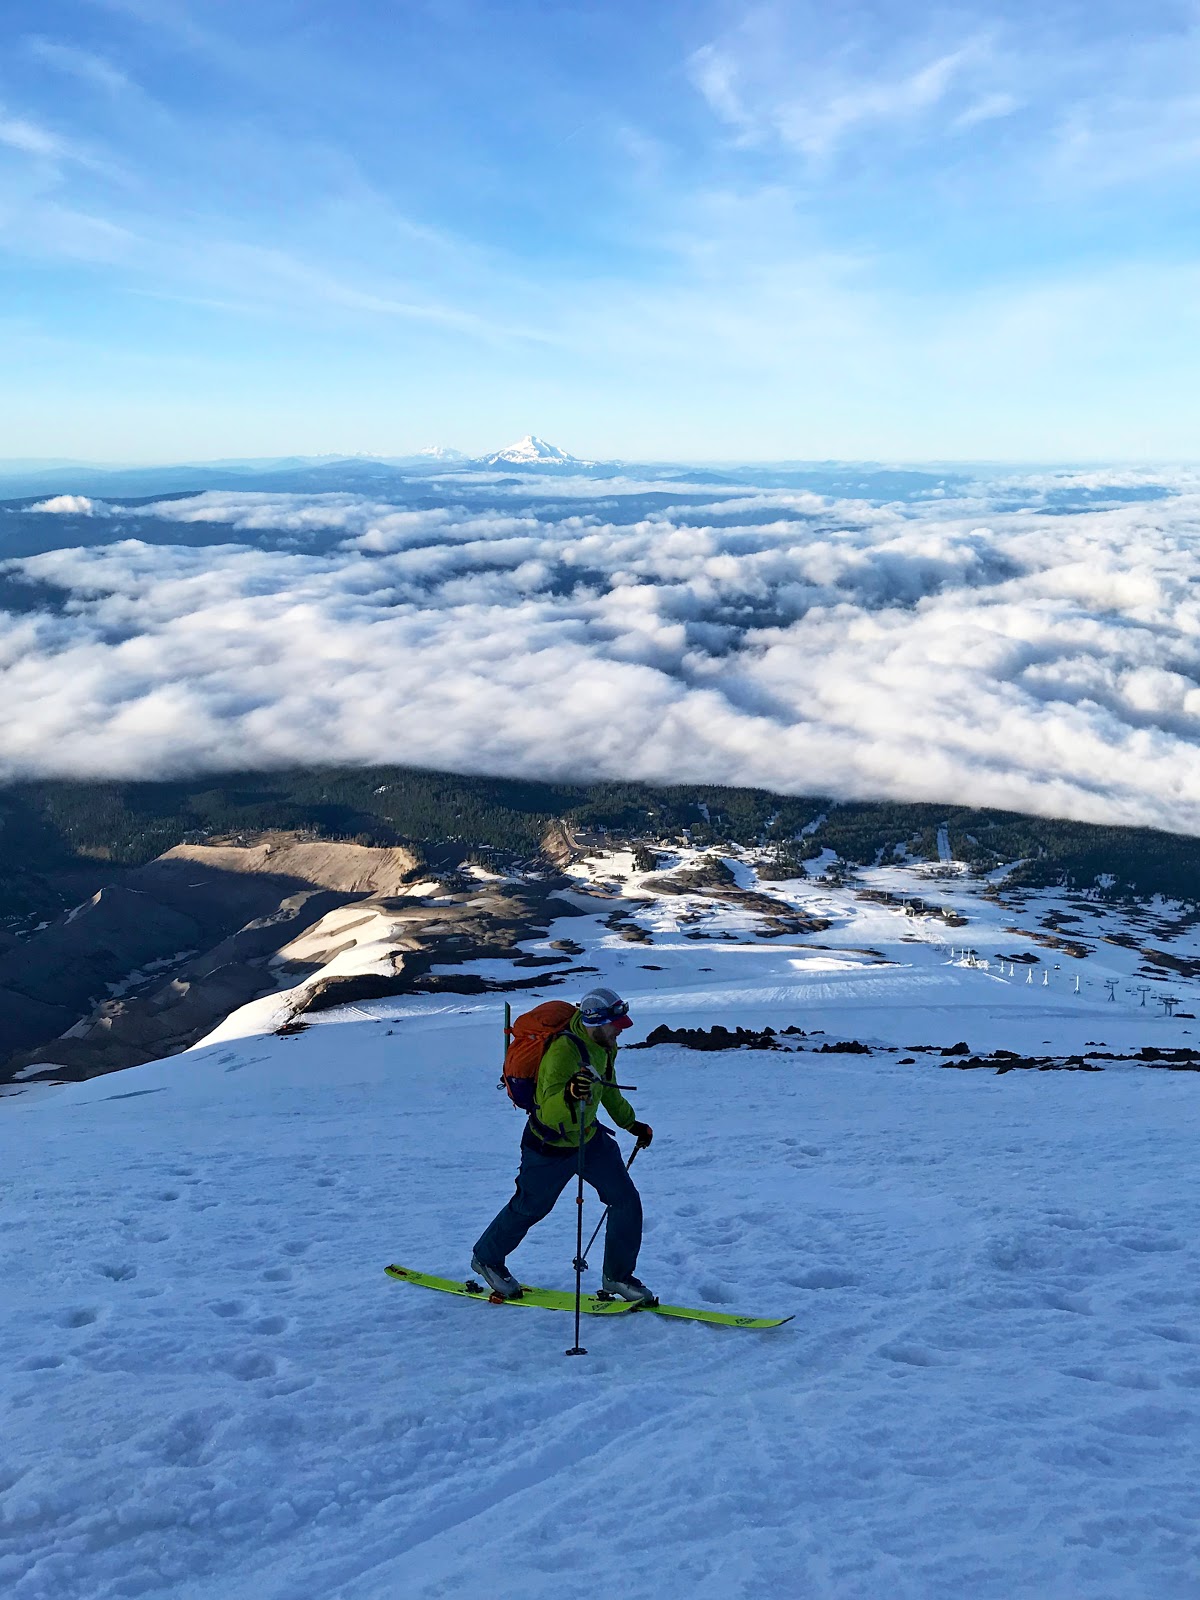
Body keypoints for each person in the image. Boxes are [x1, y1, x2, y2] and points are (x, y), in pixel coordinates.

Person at [472, 987, 655, 1303]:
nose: (621, 1031)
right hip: (548, 1146)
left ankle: (617, 1277)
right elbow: (547, 1111)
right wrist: (569, 1094)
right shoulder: (562, 1054)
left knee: (625, 1200)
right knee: (531, 1206)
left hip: (589, 1137)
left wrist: (630, 1123)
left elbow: (608, 1089)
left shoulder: (604, 1046)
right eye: (616, 1025)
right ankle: (487, 1258)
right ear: (596, 1024)